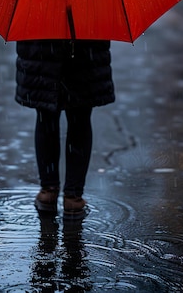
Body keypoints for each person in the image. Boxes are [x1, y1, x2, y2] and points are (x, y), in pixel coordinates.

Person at [15, 39, 115, 219]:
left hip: (42, 47)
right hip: (85, 47)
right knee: (80, 118)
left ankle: (48, 191)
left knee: (46, 117)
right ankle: (73, 197)